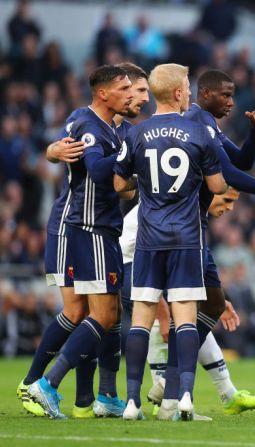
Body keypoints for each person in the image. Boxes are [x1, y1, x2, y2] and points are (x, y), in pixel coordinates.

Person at [19, 63, 148, 419]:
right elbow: (95, 168)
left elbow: (120, 184)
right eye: (127, 89)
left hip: (103, 228)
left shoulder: (112, 127)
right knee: (94, 313)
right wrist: (128, 159)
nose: (134, 97)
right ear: (105, 93)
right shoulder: (92, 127)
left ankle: (103, 396)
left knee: (109, 313)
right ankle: (44, 384)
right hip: (87, 227)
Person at [149, 68, 255, 419]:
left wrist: (254, 132)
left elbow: (242, 161)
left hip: (194, 228)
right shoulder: (194, 120)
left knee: (212, 306)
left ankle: (169, 383)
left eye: (234, 95)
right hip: (182, 229)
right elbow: (227, 176)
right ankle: (168, 389)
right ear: (204, 93)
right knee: (186, 312)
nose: (232, 102)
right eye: (226, 94)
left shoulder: (207, 123)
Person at [113, 63, 228, 421]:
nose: (191, 96)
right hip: (186, 238)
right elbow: (218, 187)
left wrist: (144, 183)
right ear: (179, 93)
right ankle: (186, 398)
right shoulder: (199, 133)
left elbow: (119, 186)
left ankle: (132, 402)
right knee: (186, 320)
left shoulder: (135, 133)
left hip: (148, 237)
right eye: (188, 90)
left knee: (141, 320)